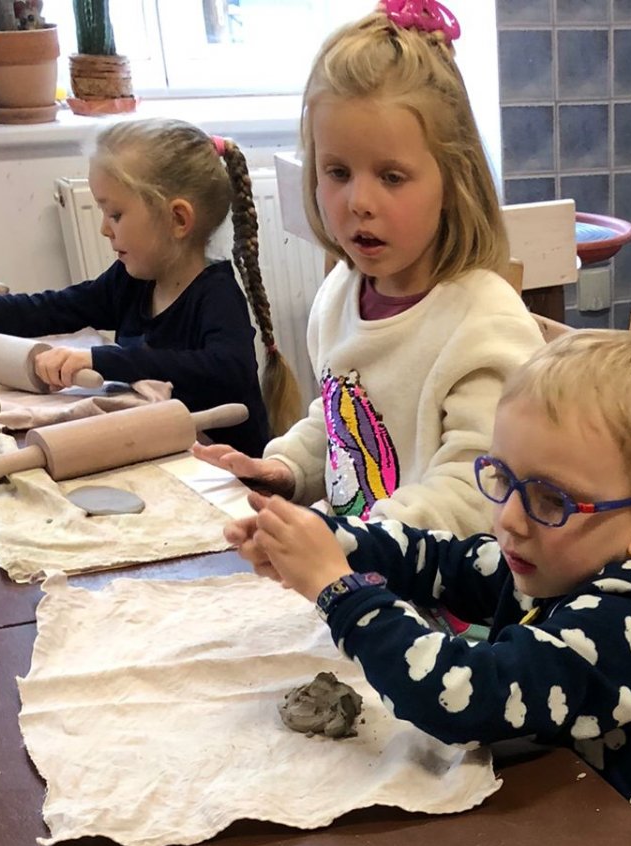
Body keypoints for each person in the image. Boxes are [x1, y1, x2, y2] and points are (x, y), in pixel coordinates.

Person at [226, 329, 631, 838]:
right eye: (503, 478)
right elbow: (439, 561)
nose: (509, 519)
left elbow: (459, 695)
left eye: (552, 500)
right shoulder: (557, 560)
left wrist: (337, 587)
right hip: (537, 815)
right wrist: (330, 540)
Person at [194, 0, 540, 533]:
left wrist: (349, 540)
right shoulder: (339, 294)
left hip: (441, 581)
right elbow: (338, 427)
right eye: (337, 172)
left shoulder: (484, 325)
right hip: (355, 561)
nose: (359, 201)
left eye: (392, 177)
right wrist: (284, 469)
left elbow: (475, 494)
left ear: (455, 181)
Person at [0, 119, 295, 458]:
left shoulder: (216, 294)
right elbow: (55, 307)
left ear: (178, 219)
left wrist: (100, 360)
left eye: (115, 214)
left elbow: (225, 369)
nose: (104, 229)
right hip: (164, 451)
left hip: (227, 471)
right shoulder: (130, 281)